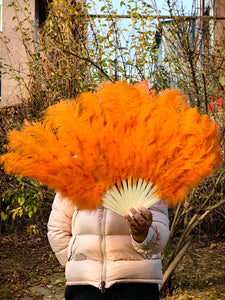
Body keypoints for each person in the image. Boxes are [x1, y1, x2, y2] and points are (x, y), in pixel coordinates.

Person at [47, 192, 170, 300]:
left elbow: (159, 237)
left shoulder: (149, 180)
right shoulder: (72, 178)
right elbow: (57, 230)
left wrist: (142, 235)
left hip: (138, 284)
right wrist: (77, 266)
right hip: (84, 288)